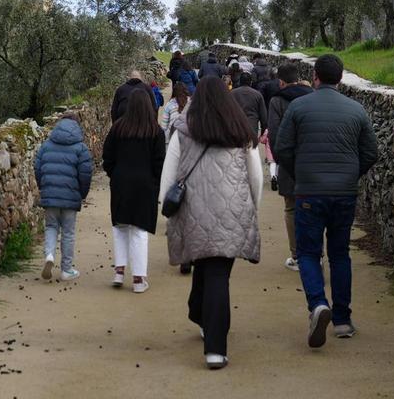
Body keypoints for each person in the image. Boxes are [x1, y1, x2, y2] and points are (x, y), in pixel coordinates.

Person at [275, 54, 378, 348]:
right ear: (341, 78)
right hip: (344, 194)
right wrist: (349, 174)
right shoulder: (356, 110)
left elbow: (283, 149)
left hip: (308, 192)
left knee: (308, 254)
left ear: (315, 77)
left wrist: (301, 175)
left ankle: (318, 304)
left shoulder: (298, 107)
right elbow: (371, 152)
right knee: (339, 254)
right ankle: (343, 320)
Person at [160, 76, 262, 369]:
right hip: (233, 212)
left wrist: (165, 209)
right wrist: (252, 208)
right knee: (217, 272)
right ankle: (208, 331)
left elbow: (170, 174)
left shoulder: (182, 131)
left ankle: (212, 342)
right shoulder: (241, 132)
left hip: (194, 210)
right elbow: (255, 176)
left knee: (208, 268)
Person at [102, 90, 167, 293]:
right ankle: (139, 279)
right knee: (139, 231)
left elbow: (107, 157)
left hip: (121, 182)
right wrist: (155, 183)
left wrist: (115, 174)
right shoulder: (155, 131)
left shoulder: (117, 129)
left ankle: (119, 272)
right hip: (145, 184)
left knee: (120, 227)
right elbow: (159, 162)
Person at [34, 114, 94, 281]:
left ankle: (49, 256)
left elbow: (37, 168)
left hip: (50, 195)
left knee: (51, 226)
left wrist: (43, 187)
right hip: (70, 196)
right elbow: (86, 174)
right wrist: (82, 194)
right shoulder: (81, 148)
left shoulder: (46, 146)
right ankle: (67, 270)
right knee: (68, 232)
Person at [267, 62, 314, 270]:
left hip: (288, 162)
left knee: (291, 208)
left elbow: (275, 134)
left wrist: (280, 161)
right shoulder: (313, 96)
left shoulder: (277, 101)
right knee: (314, 209)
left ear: (281, 81)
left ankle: (296, 256)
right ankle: (316, 253)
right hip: (312, 161)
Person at [230, 70, 267, 141]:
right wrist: (262, 132)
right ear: (251, 82)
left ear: (240, 82)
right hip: (252, 128)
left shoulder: (232, 93)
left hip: (236, 127)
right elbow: (263, 117)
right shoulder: (257, 95)